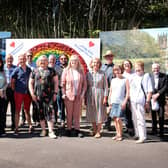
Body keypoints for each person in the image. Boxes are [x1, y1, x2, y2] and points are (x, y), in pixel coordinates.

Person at [29, 55, 58, 139]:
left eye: (44, 60)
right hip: (38, 96)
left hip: (49, 96)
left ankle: (51, 131)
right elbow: (30, 83)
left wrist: (55, 93)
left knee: (49, 112)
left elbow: (56, 82)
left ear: (47, 62)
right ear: (38, 62)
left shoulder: (52, 71)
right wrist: (32, 93)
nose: (43, 62)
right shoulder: (34, 71)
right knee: (41, 113)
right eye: (41, 60)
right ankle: (43, 130)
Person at [61, 54, 86, 137]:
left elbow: (84, 85)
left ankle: (77, 130)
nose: (73, 62)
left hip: (78, 96)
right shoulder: (66, 70)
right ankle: (68, 129)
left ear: (77, 62)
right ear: (70, 62)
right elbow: (63, 84)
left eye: (75, 61)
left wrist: (82, 94)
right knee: (69, 113)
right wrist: (63, 93)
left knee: (77, 114)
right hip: (68, 95)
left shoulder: (81, 71)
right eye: (72, 61)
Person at [129, 61, 153, 143]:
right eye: (136, 69)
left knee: (140, 119)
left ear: (142, 68)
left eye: (138, 69)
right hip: (133, 100)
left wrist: (147, 102)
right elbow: (131, 89)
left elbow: (150, 91)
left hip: (141, 100)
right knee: (134, 118)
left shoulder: (146, 76)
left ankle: (143, 136)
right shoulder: (133, 76)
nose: (137, 70)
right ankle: (137, 134)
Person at [85, 58, 108, 138]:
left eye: (97, 63)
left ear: (99, 64)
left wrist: (105, 97)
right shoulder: (88, 74)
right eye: (94, 62)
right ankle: (94, 130)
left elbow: (106, 86)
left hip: (100, 94)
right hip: (90, 94)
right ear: (91, 64)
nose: (95, 64)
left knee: (100, 112)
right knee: (92, 112)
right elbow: (86, 86)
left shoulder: (103, 73)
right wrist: (85, 97)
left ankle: (98, 131)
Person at [11, 54, 33, 135]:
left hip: (27, 93)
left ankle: (30, 126)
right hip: (18, 93)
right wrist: (15, 90)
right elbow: (12, 81)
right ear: (18, 60)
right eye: (20, 59)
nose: (22, 60)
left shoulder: (29, 69)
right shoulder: (16, 70)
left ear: (26, 59)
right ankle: (16, 128)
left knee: (27, 110)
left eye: (23, 59)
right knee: (17, 110)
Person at [109, 65, 129, 141]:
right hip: (113, 101)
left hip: (121, 102)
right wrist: (109, 101)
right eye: (115, 70)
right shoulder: (113, 80)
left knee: (118, 119)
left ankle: (120, 135)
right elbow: (110, 91)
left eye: (118, 70)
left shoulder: (125, 80)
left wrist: (125, 101)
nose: (117, 71)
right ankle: (117, 134)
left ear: (121, 70)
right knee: (114, 118)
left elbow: (127, 92)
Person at [150, 62, 167, 137]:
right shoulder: (149, 76)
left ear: (159, 68)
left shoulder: (165, 76)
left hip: (160, 99)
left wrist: (158, 94)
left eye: (157, 68)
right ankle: (154, 130)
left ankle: (161, 132)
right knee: (153, 115)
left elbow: (166, 86)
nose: (155, 70)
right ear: (152, 69)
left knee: (161, 116)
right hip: (152, 98)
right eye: (154, 68)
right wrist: (151, 95)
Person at [101, 50, 115, 131]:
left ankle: (107, 124)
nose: (109, 57)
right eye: (107, 56)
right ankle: (100, 123)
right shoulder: (102, 67)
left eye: (110, 56)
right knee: (101, 107)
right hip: (101, 89)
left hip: (110, 90)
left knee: (109, 107)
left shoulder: (115, 67)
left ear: (112, 57)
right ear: (105, 58)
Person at [4, 54, 16, 131]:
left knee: (13, 109)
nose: (9, 60)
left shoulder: (16, 68)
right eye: (8, 58)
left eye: (11, 59)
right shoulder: (2, 67)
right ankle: (3, 124)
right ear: (5, 60)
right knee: (3, 109)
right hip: (4, 90)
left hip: (13, 90)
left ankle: (13, 125)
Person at [122, 59, 134, 136]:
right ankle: (128, 127)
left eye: (128, 64)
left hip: (134, 94)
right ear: (123, 66)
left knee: (132, 112)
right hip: (125, 94)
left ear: (130, 65)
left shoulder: (134, 73)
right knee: (126, 112)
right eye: (125, 64)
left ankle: (133, 127)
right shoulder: (123, 75)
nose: (126, 65)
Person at [56, 54, 68, 127]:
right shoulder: (57, 69)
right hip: (59, 89)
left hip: (69, 89)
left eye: (65, 58)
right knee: (60, 105)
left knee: (69, 106)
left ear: (67, 59)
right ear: (60, 60)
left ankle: (71, 120)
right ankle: (62, 120)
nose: (63, 60)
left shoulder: (70, 68)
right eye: (62, 59)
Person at [0, 57, 7, 136]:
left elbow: (6, 83)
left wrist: (2, 89)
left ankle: (1, 130)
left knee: (2, 113)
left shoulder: (3, 72)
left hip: (2, 95)